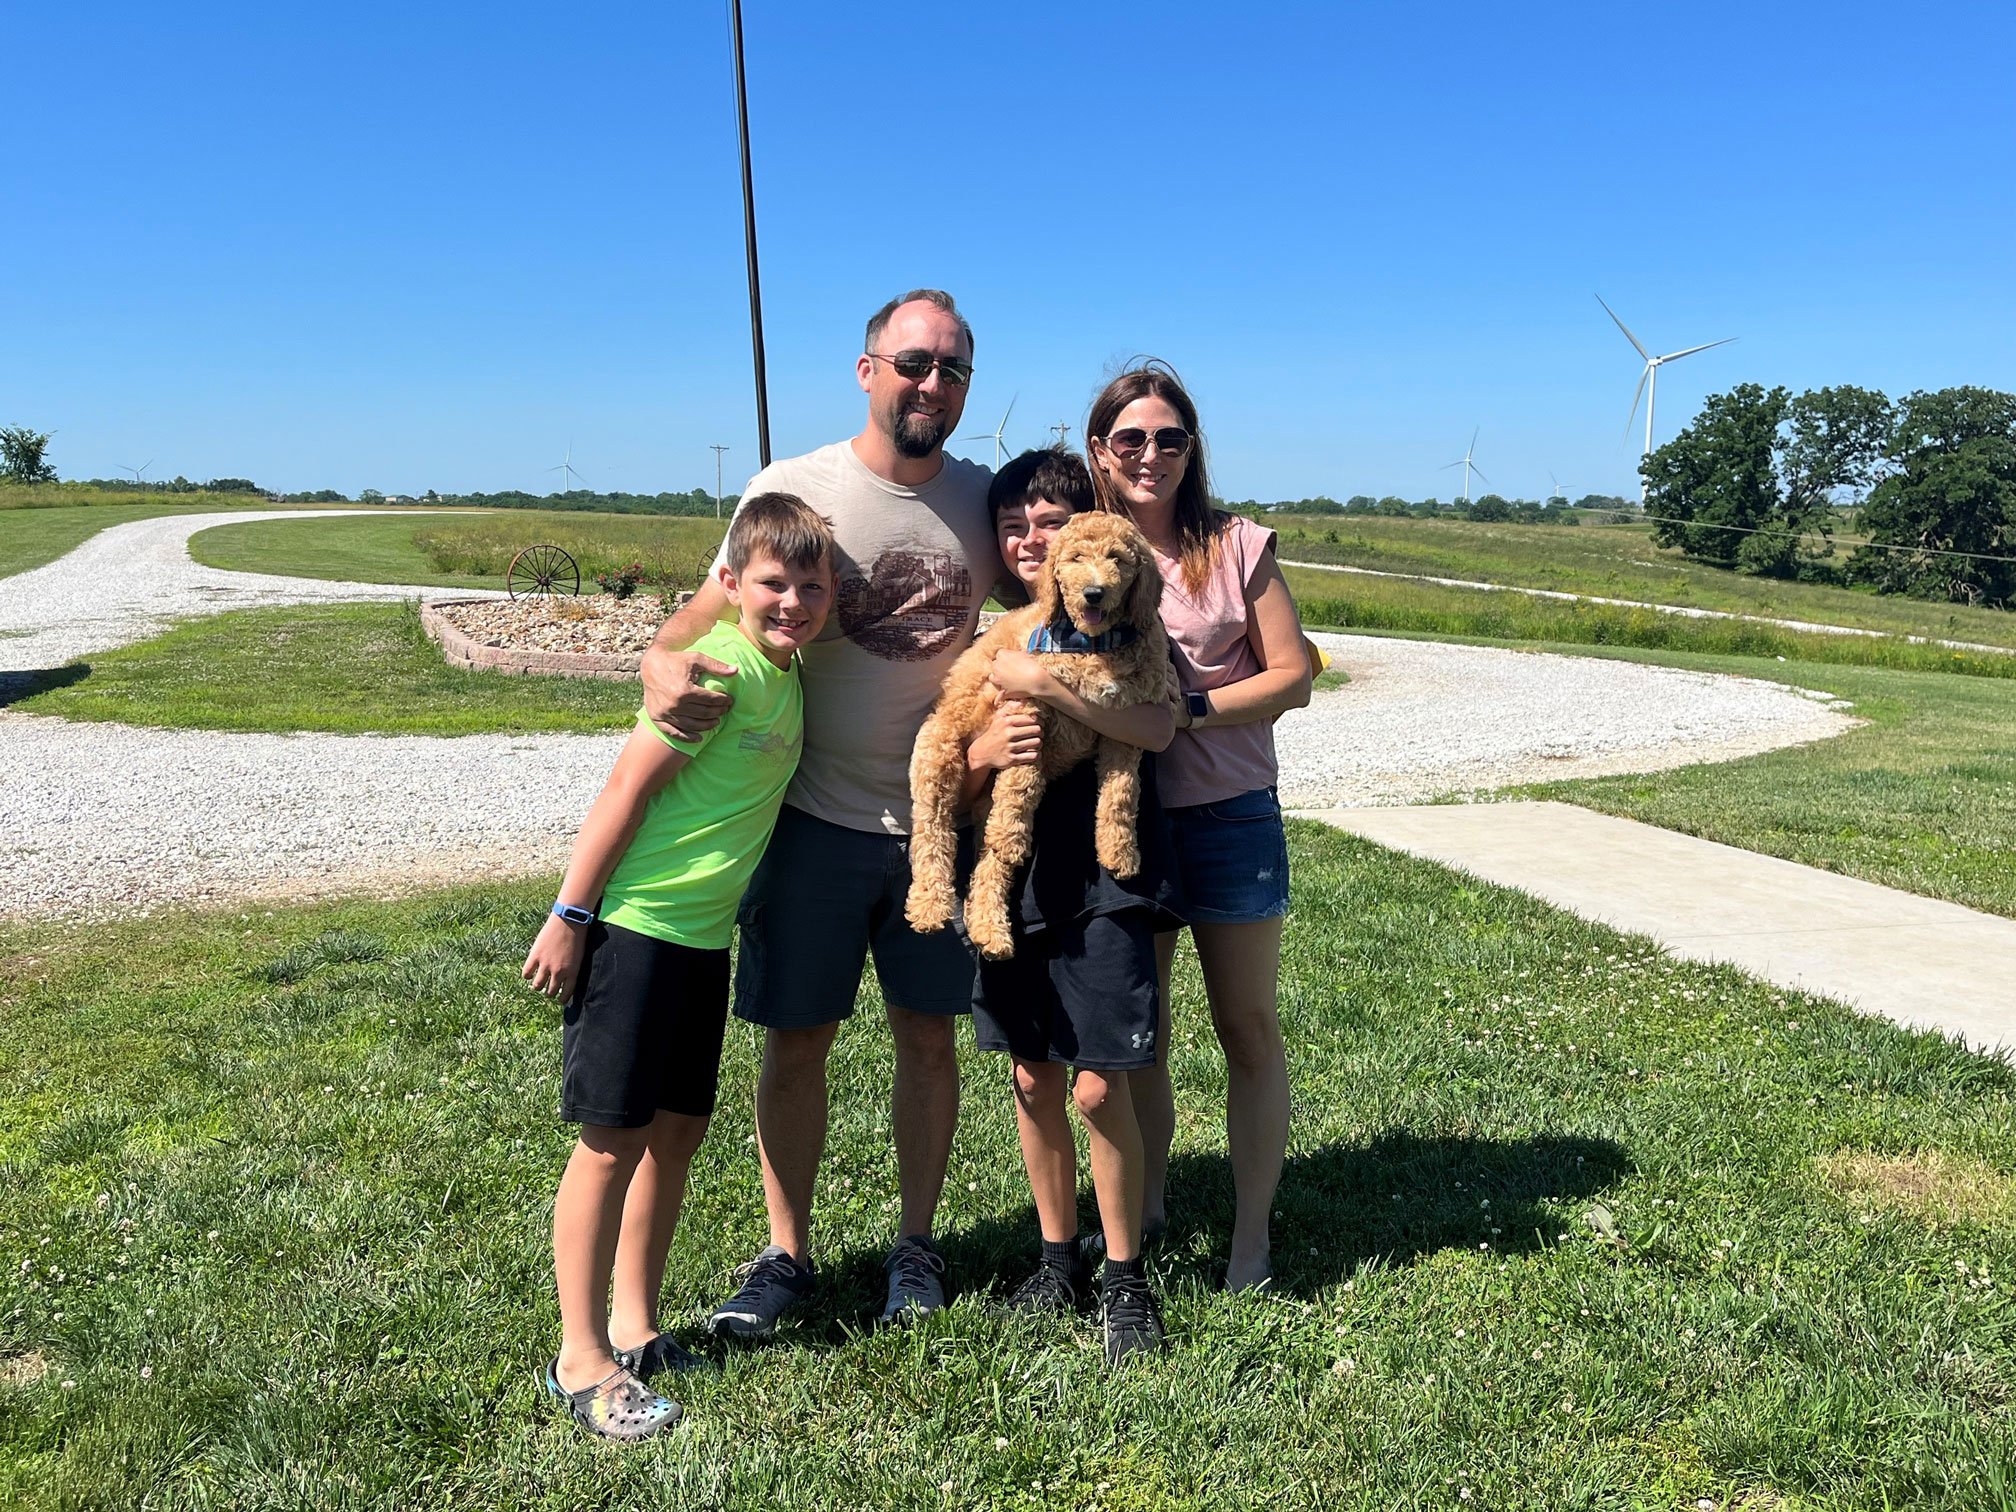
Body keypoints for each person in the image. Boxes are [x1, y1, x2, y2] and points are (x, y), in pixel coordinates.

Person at [639, 290, 1000, 1334]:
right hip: (809, 822)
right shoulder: (793, 486)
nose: (932, 385)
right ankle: (786, 1254)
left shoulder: (987, 502)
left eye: (953, 370)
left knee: (927, 1039)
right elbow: (704, 615)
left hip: (939, 828)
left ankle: (916, 1249)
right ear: (867, 369)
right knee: (797, 1042)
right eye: (914, 363)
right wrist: (657, 662)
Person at [521, 493, 835, 1440]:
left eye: (812, 587)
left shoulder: (788, 674)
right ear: (730, 583)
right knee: (610, 1141)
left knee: (677, 1135)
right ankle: (580, 1358)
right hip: (637, 932)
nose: (793, 603)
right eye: (773, 584)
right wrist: (571, 915)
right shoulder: (718, 672)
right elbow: (625, 789)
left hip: (705, 943)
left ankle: (635, 1325)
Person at [1084, 363, 1311, 1292]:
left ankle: (1250, 1241)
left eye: (1169, 438)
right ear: (1101, 450)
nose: (1151, 454)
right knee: (1141, 1036)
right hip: (1120, 817)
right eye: (1131, 439)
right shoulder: (1081, 546)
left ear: (1191, 449)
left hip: (1228, 815)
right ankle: (1147, 1208)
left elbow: (1292, 674)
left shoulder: (1237, 545)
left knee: (1246, 1026)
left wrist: (1189, 710)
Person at [957, 447, 1182, 1365]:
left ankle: (1123, 1276)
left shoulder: (1125, 631)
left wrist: (1049, 687)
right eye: (1013, 527)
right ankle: (1057, 1259)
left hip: (1104, 878)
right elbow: (953, 775)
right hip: (1017, 875)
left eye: (1050, 524)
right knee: (1031, 1076)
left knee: (1098, 1080)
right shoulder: (999, 641)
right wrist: (985, 752)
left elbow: (1159, 723)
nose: (1031, 540)